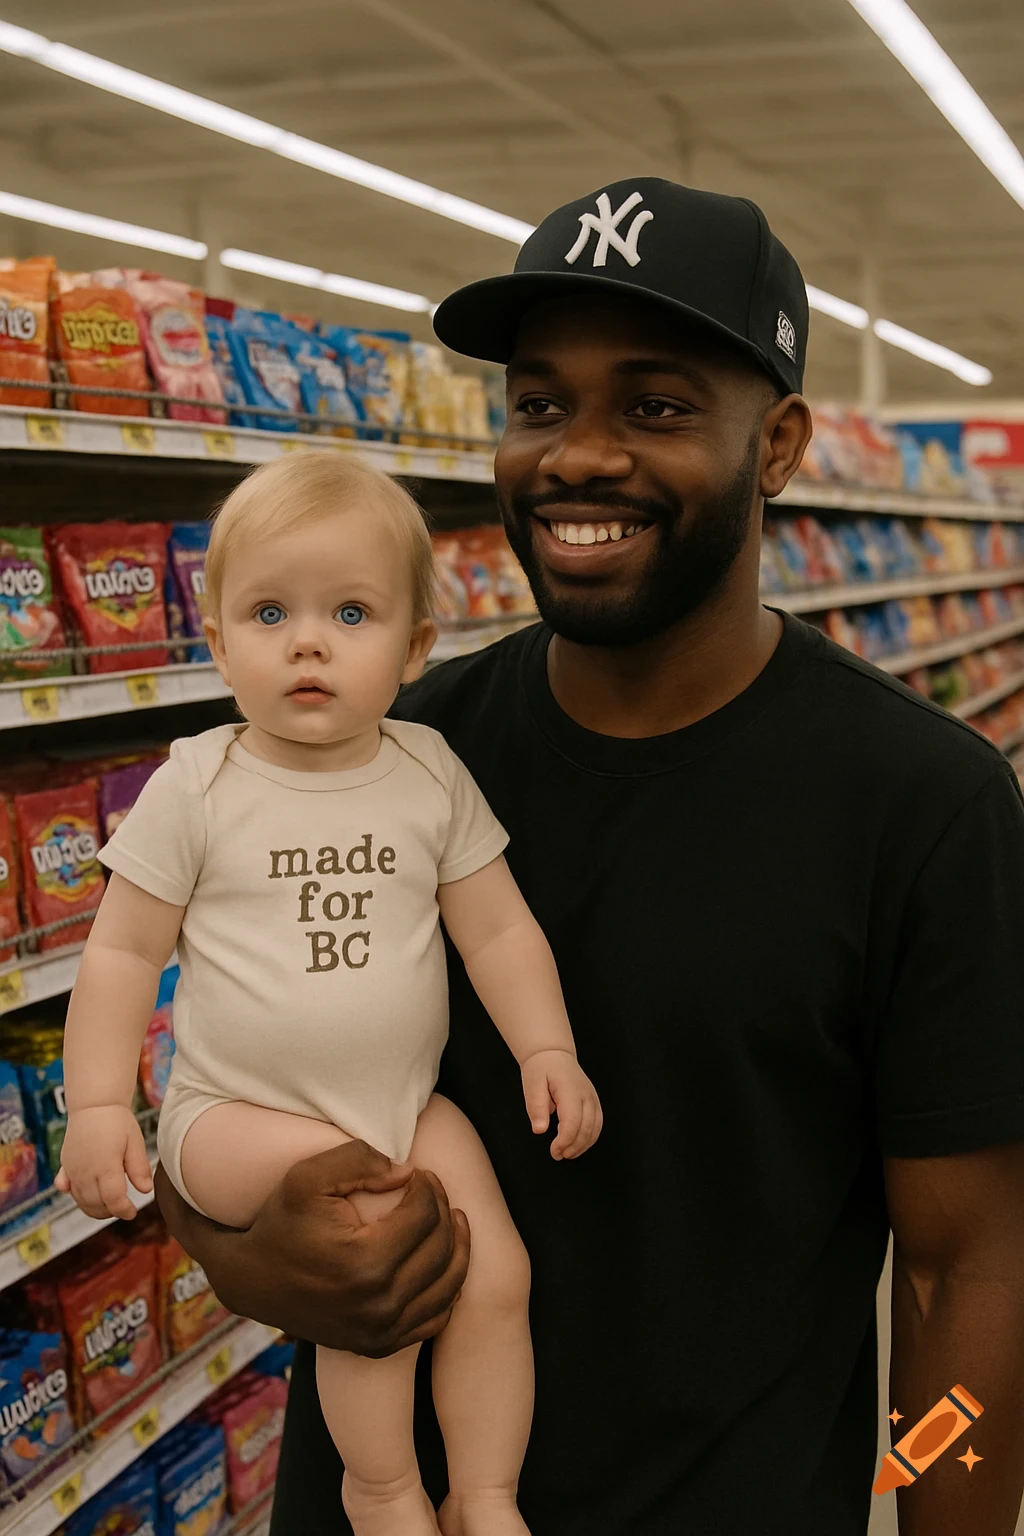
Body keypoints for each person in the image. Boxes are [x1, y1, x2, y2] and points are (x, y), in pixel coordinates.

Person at [156, 179, 1024, 1536]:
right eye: (541, 404)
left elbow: (963, 1278)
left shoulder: (921, 804)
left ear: (781, 442)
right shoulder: (383, 756)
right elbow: (219, 1082)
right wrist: (242, 1250)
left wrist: (951, 1525)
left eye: (659, 407)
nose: (576, 455)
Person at [56, 452, 601, 1536]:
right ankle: (382, 1490)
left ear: (412, 649)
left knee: (494, 1271)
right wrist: (104, 1105)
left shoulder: (428, 770)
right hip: (233, 1117)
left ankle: (484, 1493)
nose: (306, 641)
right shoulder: (197, 785)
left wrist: (549, 1049)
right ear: (215, 643)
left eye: (349, 613)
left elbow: (494, 926)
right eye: (268, 612)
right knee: (372, 1258)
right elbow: (119, 955)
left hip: (402, 1105)